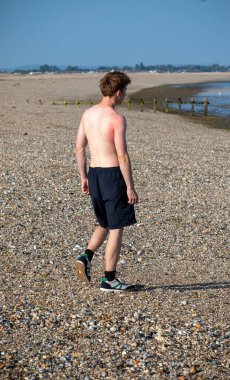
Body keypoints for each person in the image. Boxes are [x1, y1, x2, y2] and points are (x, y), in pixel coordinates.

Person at [75, 71, 138, 292]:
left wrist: (84, 176)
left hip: (94, 173)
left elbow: (79, 147)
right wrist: (130, 186)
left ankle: (86, 255)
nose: (125, 96)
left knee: (104, 222)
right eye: (125, 92)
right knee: (116, 227)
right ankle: (109, 279)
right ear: (118, 92)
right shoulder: (117, 119)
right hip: (112, 175)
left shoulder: (87, 114)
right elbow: (122, 155)